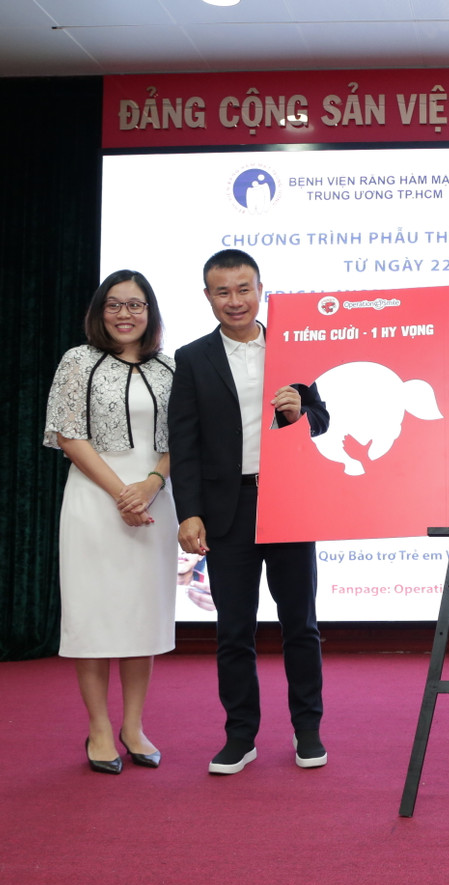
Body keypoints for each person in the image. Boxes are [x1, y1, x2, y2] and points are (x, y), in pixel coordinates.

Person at [169, 248, 330, 776]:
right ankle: (240, 736)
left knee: (300, 624)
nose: (235, 300)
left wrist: (301, 414)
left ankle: (307, 729)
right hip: (225, 509)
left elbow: (323, 420)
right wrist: (188, 513)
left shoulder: (293, 346)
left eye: (244, 289)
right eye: (223, 291)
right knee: (233, 629)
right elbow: (184, 444)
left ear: (260, 290)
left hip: (286, 503)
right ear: (208, 296)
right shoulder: (192, 358)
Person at [44, 270, 177, 775]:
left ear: (150, 312)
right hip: (94, 502)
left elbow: (182, 438)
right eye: (114, 304)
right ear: (100, 312)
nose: (125, 314)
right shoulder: (77, 361)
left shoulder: (170, 367)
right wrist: (123, 493)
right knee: (95, 615)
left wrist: (151, 485)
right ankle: (99, 728)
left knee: (141, 616)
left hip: (153, 502)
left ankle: (134, 726)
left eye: (135, 304)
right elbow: (67, 435)